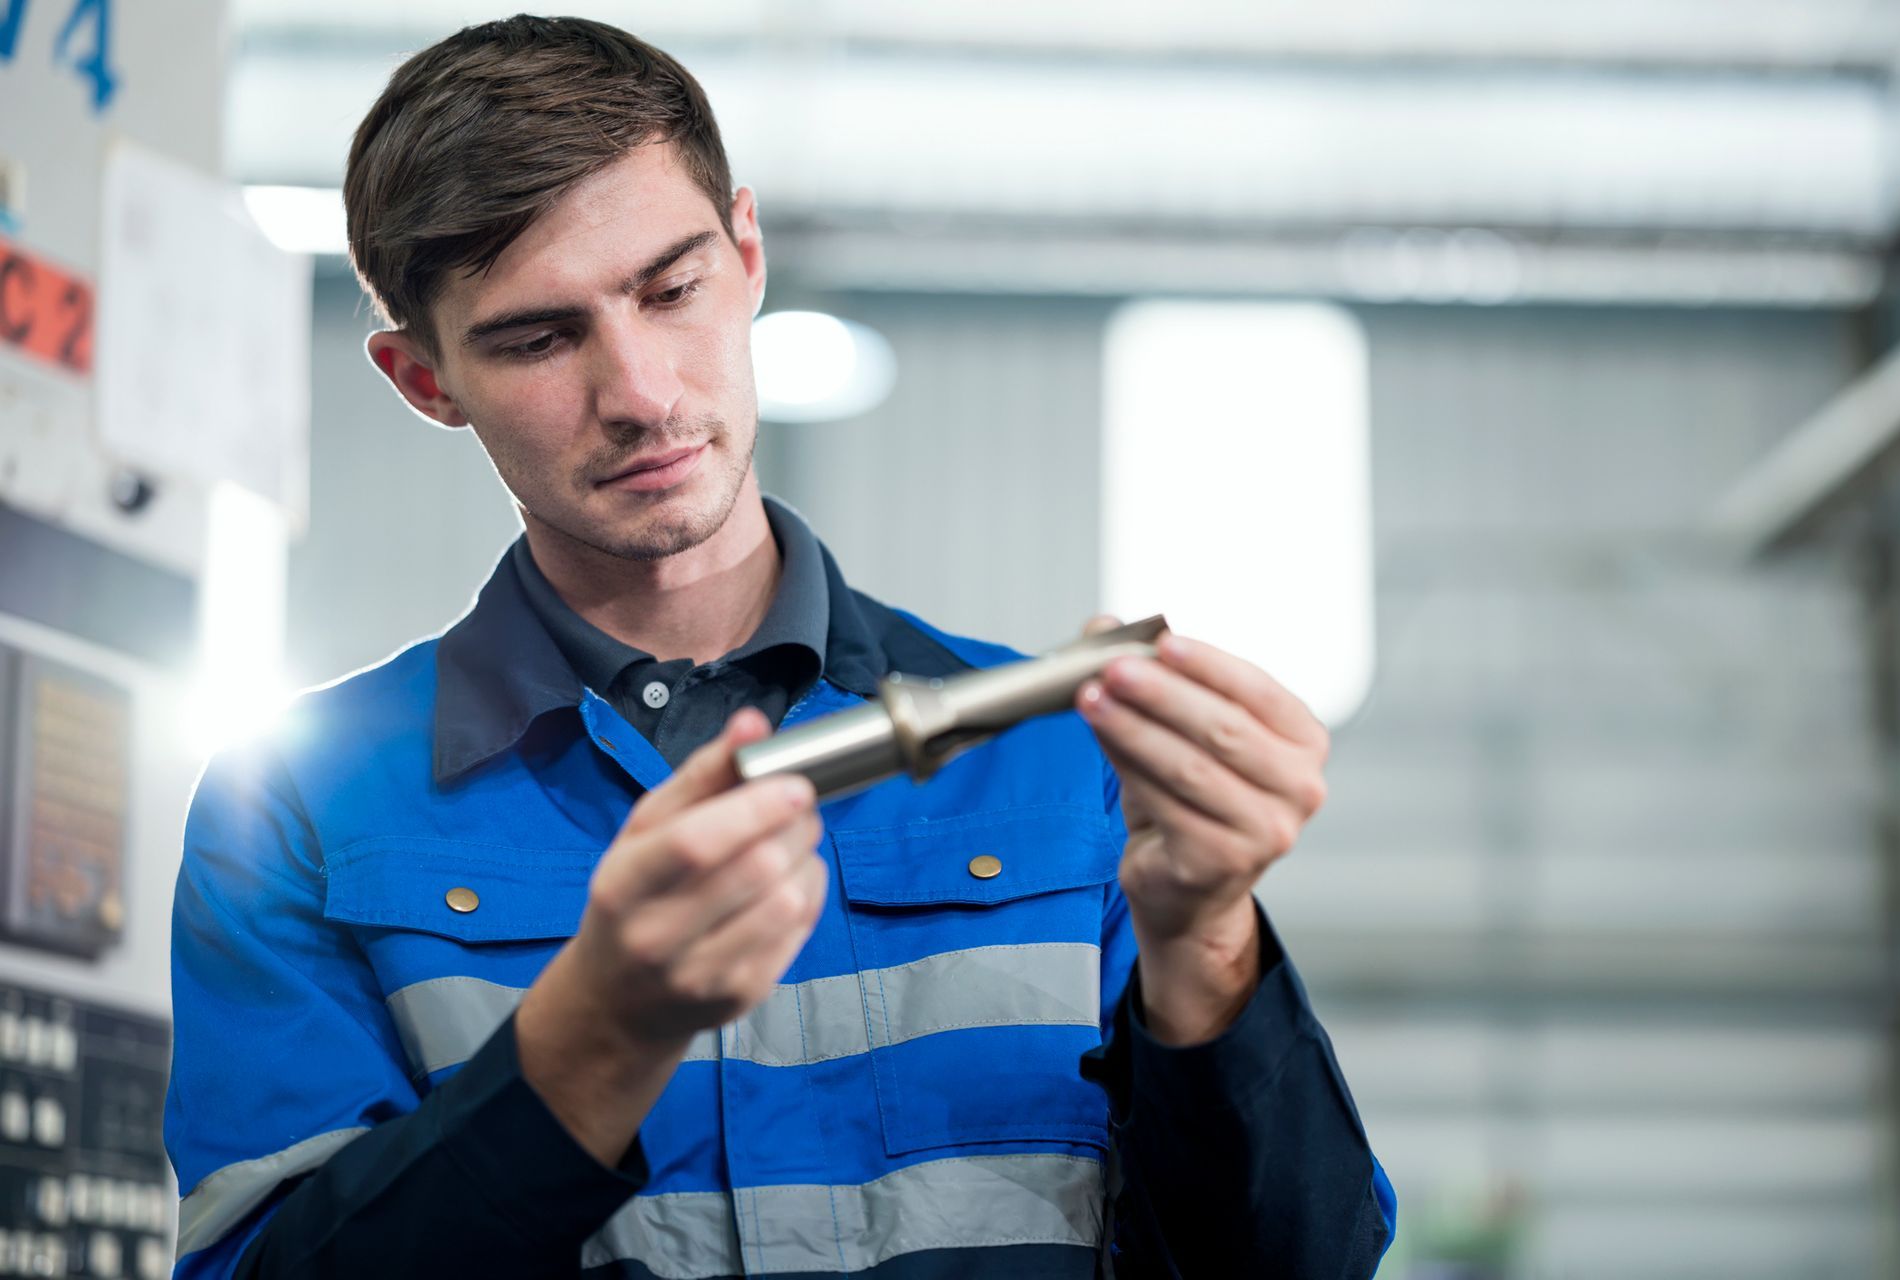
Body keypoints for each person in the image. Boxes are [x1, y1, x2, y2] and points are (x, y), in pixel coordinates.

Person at [164, 15, 1395, 1279]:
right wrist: (591, 1041)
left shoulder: (1064, 763)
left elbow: (1297, 1262)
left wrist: (1205, 944)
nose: (639, 391)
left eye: (671, 287)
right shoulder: (299, 812)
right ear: (423, 379)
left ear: (746, 250)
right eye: (539, 337)